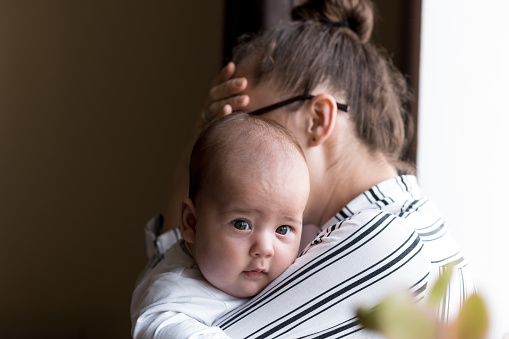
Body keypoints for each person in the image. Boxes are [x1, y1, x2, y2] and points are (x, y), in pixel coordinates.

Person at [138, 0, 475, 337]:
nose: (227, 139)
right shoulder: (411, 222)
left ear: (318, 119)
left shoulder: (383, 242)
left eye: (244, 120)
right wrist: (193, 160)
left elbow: (171, 319)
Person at [131, 113, 310, 338]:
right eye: (241, 224)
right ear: (191, 223)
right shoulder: (170, 302)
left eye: (283, 229)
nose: (265, 248)